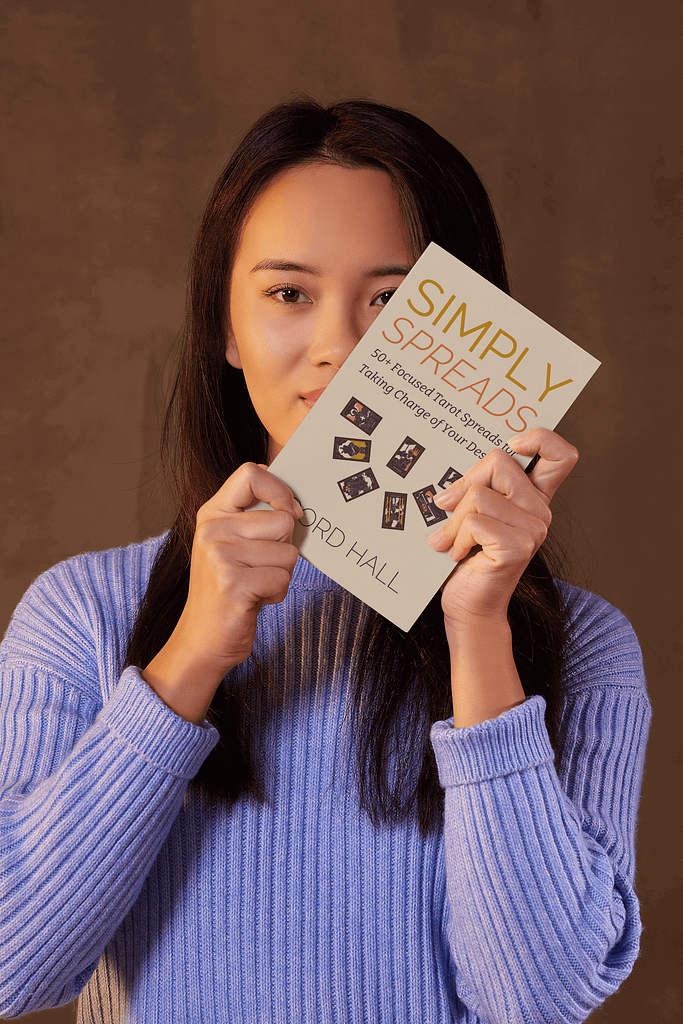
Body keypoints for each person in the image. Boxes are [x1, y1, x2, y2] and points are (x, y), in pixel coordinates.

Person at [0, 99, 650, 1023]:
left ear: (470, 327)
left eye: (391, 298)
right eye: (287, 294)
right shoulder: (84, 613)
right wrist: (189, 656)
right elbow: (12, 966)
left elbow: (539, 998)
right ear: (225, 330)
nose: (342, 346)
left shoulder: (580, 641)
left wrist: (477, 632)